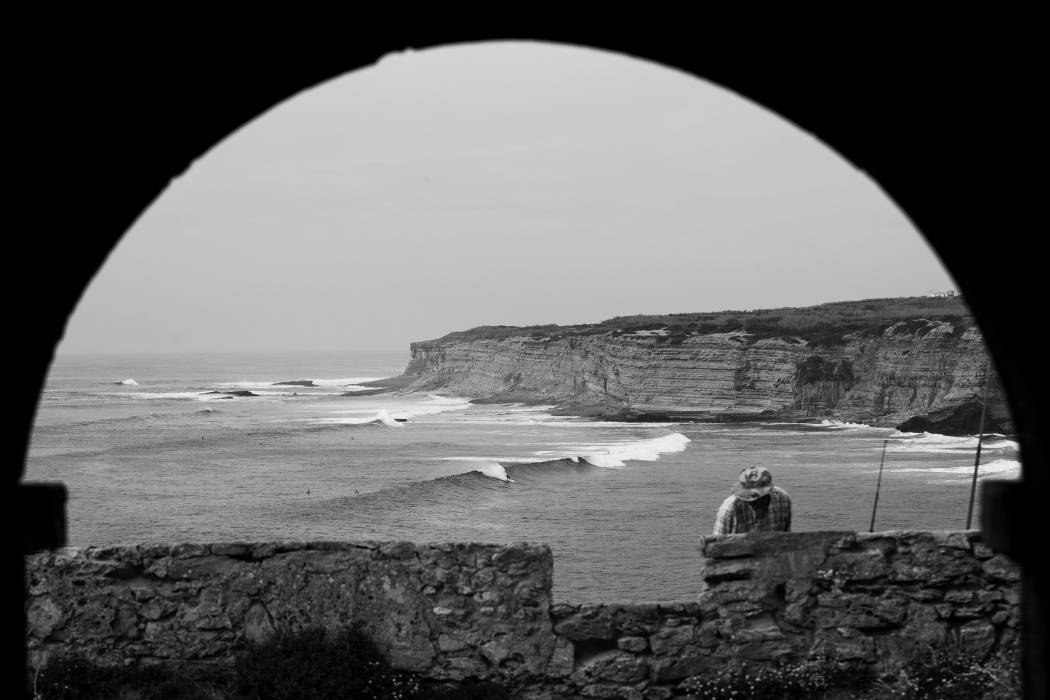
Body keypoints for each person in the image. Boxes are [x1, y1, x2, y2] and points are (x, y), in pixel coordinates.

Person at [712, 466, 791, 535]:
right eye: (749, 497)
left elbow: (786, 537)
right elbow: (716, 545)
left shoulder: (782, 499)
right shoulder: (729, 509)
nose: (753, 501)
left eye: (758, 498)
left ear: (769, 492)